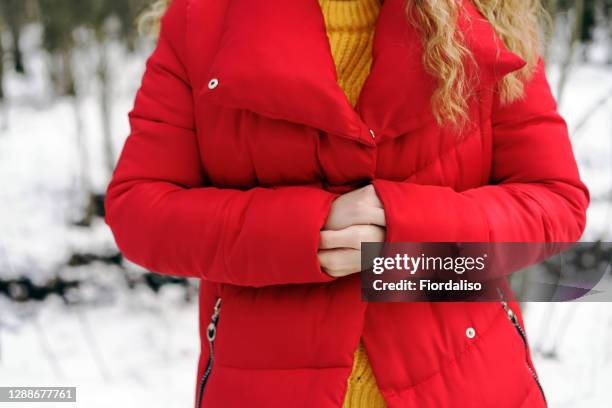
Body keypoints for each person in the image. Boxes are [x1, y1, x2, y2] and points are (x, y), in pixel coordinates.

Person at [104, 0, 589, 407]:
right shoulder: (202, 22)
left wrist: (407, 226)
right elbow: (140, 208)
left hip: (470, 381)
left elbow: (554, 200)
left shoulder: (483, 13)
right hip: (264, 384)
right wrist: (302, 231)